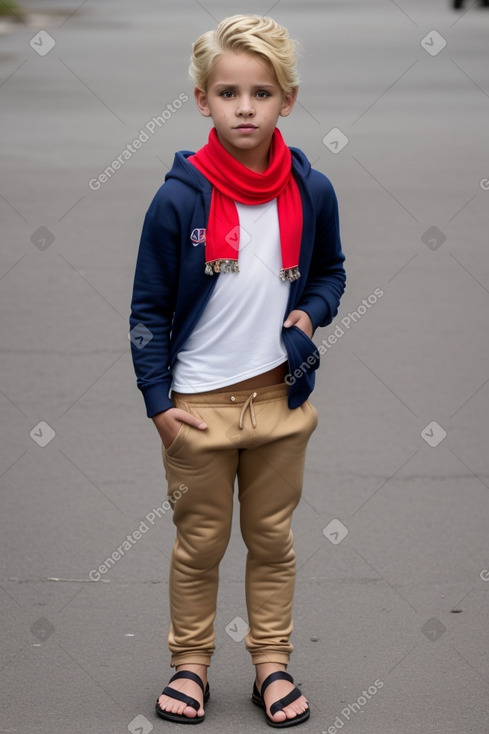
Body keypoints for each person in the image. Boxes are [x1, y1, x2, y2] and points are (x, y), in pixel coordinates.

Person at [129, 14, 346, 727]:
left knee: (273, 540)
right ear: (202, 101)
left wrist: (309, 314)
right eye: (227, 92)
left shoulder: (310, 191)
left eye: (261, 92)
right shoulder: (178, 199)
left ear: (287, 98)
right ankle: (189, 667)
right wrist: (158, 402)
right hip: (196, 405)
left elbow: (330, 274)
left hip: (279, 400)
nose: (244, 107)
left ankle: (270, 666)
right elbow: (147, 309)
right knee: (200, 544)